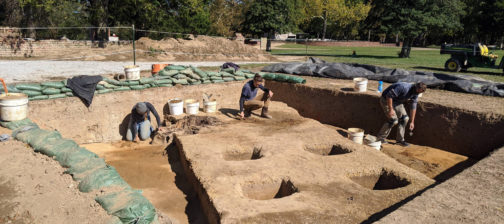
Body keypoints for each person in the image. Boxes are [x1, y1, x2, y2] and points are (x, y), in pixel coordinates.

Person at [377, 82, 427, 146]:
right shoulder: (403, 87)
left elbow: (413, 107)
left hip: (397, 102)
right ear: (416, 87)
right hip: (386, 100)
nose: (418, 93)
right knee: (393, 120)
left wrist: (412, 122)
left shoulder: (416, 93)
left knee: (405, 119)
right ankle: (380, 138)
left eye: (420, 93)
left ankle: (400, 141)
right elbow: (389, 96)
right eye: (418, 92)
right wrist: (391, 109)